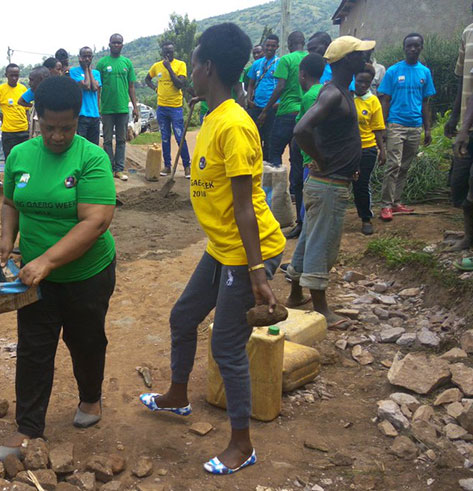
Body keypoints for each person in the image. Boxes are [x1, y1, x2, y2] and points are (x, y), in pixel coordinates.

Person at [139, 23, 285, 475]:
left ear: (208, 67)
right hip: (224, 248)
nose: (189, 74)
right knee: (184, 316)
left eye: (194, 63)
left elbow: (245, 208)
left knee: (225, 346)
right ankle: (178, 396)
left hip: (249, 251)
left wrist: (258, 274)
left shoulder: (236, 125)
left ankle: (242, 445)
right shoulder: (215, 113)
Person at [0, 75, 116, 461]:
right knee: (33, 348)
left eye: (67, 127)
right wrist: (6, 239)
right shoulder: (20, 156)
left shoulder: (91, 158)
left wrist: (47, 260)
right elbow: (11, 203)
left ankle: (91, 398)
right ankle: (29, 427)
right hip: (35, 278)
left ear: (78, 120)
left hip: (86, 275)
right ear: (37, 118)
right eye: (50, 127)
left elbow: (95, 221)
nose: (58, 136)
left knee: (86, 341)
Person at [286, 36, 372, 329]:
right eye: (360, 54)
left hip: (330, 182)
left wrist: (346, 166)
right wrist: (322, 161)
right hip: (328, 186)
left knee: (310, 240)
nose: (366, 57)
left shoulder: (340, 92)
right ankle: (322, 310)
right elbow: (301, 130)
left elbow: (334, 137)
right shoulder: (334, 93)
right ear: (347, 61)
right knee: (322, 245)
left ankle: (296, 295)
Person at [377, 33, 435, 221]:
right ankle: (385, 205)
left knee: (405, 166)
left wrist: (427, 129)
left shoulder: (424, 72)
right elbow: (385, 100)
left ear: (421, 47)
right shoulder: (394, 71)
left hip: (415, 126)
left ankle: (396, 202)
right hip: (396, 124)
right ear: (404, 48)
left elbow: (426, 102)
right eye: (409, 46)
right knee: (393, 165)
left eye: (416, 46)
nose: (412, 49)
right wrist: (384, 127)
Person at [260, 31, 307, 239]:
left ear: (288, 44)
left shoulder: (286, 60)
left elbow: (280, 87)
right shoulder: (310, 60)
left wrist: (265, 110)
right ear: (303, 44)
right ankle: (296, 201)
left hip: (286, 113)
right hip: (305, 114)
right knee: (297, 159)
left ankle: (279, 197)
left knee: (273, 153)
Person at [445, 3, 473, 254]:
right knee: (460, 181)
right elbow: (462, 79)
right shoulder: (468, 33)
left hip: (468, 128)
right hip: (466, 123)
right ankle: (468, 236)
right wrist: (455, 118)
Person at [146, 40, 191, 177]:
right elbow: (147, 79)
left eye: (170, 52)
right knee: (165, 137)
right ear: (162, 52)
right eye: (166, 52)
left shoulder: (180, 65)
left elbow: (180, 84)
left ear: (174, 52)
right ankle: (167, 166)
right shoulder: (156, 66)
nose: (168, 54)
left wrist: (169, 68)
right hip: (162, 107)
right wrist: (155, 89)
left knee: (179, 137)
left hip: (176, 108)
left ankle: (187, 166)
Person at [97, 33, 139, 181]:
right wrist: (98, 107)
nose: (116, 45)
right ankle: (109, 168)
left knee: (121, 140)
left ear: (122, 45)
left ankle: (119, 169)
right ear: (109, 44)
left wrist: (135, 107)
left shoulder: (127, 63)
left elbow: (131, 87)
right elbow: (98, 88)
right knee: (107, 140)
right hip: (107, 109)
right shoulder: (102, 63)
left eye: (119, 43)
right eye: (114, 42)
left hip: (122, 108)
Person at [353, 63, 387, 236]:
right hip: (347, 150)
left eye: (366, 82)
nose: (363, 85)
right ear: (354, 79)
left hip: (367, 149)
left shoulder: (373, 101)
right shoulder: (346, 96)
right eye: (359, 81)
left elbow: (377, 128)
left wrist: (382, 150)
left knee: (361, 184)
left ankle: (365, 218)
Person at [293, 53, 325, 227]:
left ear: (302, 74)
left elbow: (311, 129)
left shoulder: (309, 97)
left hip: (311, 160)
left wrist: (314, 157)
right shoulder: (324, 91)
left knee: (309, 206)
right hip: (315, 157)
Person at [246, 34, 280, 160]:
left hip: (272, 108)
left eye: (273, 46)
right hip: (256, 106)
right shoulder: (257, 64)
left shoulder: (280, 63)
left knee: (270, 139)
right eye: (268, 45)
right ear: (264, 46)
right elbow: (251, 84)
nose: (270, 48)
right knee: (255, 139)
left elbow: (283, 86)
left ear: (277, 47)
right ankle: (256, 166)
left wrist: (279, 102)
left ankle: (267, 167)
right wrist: (249, 99)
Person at [0, 64, 29, 159]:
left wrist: (29, 126)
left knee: (25, 158)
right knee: (10, 159)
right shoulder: (0, 90)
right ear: (6, 75)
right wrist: (0, 115)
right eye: (11, 75)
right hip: (9, 133)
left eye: (16, 75)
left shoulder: (23, 89)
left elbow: (27, 110)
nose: (14, 78)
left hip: (24, 131)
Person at [69, 46, 102, 145]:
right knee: (81, 144)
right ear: (79, 57)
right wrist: (87, 69)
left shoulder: (96, 73)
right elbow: (86, 86)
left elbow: (95, 87)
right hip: (81, 115)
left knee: (93, 145)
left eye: (89, 56)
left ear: (92, 57)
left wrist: (89, 69)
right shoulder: (74, 71)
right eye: (84, 56)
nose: (87, 59)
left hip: (94, 115)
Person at [18, 67, 51, 139]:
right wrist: (33, 105)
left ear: (41, 79)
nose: (29, 83)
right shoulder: (33, 91)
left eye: (32, 80)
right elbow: (20, 101)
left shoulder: (55, 93)